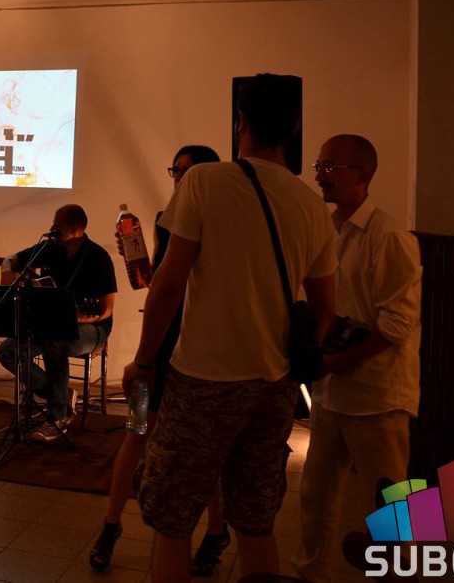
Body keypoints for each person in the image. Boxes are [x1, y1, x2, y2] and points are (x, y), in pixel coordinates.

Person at [123, 73, 337, 582]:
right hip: (274, 385)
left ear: (240, 122)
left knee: (173, 521)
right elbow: (325, 309)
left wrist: (144, 362)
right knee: (256, 522)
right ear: (294, 128)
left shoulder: (204, 182)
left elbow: (168, 287)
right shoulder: (311, 205)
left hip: (204, 381)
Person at [90, 144, 229, 575]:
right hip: (158, 349)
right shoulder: (164, 219)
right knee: (136, 432)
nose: (180, 179)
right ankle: (110, 525)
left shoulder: (225, 222)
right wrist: (135, 262)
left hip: (201, 349)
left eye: (189, 171)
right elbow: (159, 282)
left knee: (204, 448)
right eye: (176, 171)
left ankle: (217, 530)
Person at [292, 134, 422, 583]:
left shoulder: (390, 238)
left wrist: (333, 362)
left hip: (378, 397)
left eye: (330, 168)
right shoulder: (329, 230)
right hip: (332, 394)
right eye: (319, 166)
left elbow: (397, 324)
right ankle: (310, 575)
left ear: (362, 176)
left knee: (391, 506)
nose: (319, 176)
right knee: (315, 497)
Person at [0, 204, 118, 442]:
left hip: (93, 329)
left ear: (75, 229)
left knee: (56, 343)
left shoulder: (98, 258)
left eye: (58, 225)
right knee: (9, 351)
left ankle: (58, 417)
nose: (52, 228)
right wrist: (6, 274)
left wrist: (74, 317)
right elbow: (12, 259)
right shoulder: (50, 248)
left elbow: (106, 310)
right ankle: (60, 395)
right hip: (50, 324)